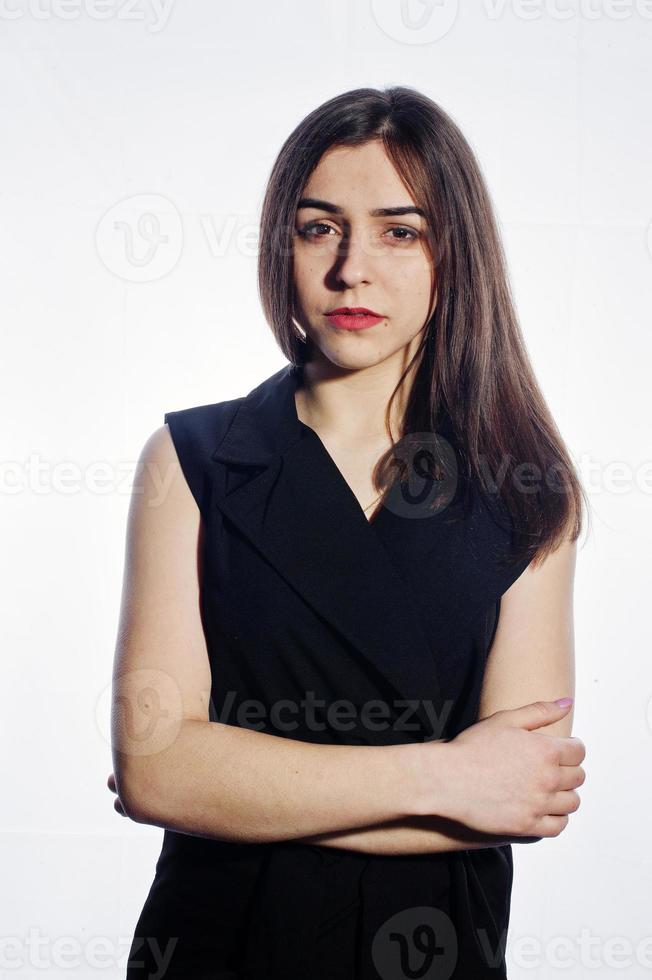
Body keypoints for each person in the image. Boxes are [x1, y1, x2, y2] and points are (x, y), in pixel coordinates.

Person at [109, 86, 587, 979]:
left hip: (434, 946)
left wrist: (233, 782)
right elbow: (157, 771)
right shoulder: (192, 459)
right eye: (319, 227)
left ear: (456, 254)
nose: (352, 269)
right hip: (223, 945)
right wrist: (448, 780)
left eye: (400, 231)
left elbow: (523, 795)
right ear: (280, 244)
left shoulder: (526, 488)